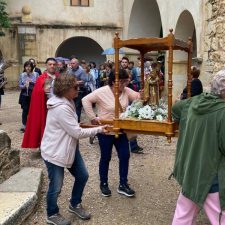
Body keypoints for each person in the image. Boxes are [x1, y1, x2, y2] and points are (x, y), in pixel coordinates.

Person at [171, 70, 225, 225]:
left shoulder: (194, 101)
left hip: (190, 170)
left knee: (183, 214)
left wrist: (186, 122)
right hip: (211, 174)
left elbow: (176, 109)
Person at [41, 74, 109, 225]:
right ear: (65, 89)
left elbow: (72, 126)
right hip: (55, 151)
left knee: (82, 176)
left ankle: (74, 203)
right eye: (75, 87)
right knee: (56, 186)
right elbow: (76, 133)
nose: (79, 89)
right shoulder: (61, 108)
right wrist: (98, 129)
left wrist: (84, 124)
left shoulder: (67, 101)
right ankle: (52, 214)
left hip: (67, 148)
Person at [82, 69, 140, 197]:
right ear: (115, 81)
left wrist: (146, 93)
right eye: (124, 81)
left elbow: (138, 97)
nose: (126, 84)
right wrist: (93, 117)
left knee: (125, 156)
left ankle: (123, 184)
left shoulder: (126, 90)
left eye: (127, 81)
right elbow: (85, 100)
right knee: (105, 157)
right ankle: (103, 183)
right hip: (105, 131)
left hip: (121, 130)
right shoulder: (102, 91)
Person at [22, 57, 59, 149]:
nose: (52, 66)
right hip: (46, 107)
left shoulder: (60, 77)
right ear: (46, 66)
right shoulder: (41, 78)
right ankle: (45, 145)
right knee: (46, 126)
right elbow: (36, 93)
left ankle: (57, 145)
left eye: (54, 64)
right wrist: (43, 91)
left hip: (59, 106)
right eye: (50, 64)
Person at [18, 61, 38, 132]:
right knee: (25, 110)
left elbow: (38, 84)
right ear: (24, 67)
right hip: (24, 95)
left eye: (29, 66)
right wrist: (24, 86)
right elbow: (19, 85)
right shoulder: (22, 75)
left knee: (32, 111)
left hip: (33, 95)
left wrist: (31, 82)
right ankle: (24, 125)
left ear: (32, 67)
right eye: (26, 66)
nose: (28, 68)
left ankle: (32, 125)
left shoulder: (36, 74)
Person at [67, 58, 89, 122]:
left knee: (77, 107)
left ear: (77, 64)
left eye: (73, 63)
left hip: (79, 91)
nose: (71, 64)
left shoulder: (81, 71)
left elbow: (84, 81)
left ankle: (77, 121)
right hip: (71, 91)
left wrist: (75, 82)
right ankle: (71, 120)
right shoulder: (69, 70)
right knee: (71, 106)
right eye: (71, 63)